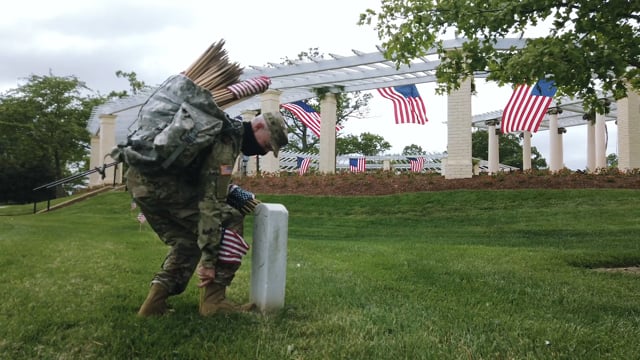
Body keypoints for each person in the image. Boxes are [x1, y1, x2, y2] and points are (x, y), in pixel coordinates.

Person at [126, 112, 288, 316]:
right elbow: (210, 205)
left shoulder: (219, 129)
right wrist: (210, 262)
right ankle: (214, 301)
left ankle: (153, 304)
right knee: (230, 217)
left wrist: (231, 191)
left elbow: (200, 179)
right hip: (161, 189)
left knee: (187, 241)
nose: (263, 153)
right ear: (257, 127)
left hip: (140, 184)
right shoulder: (227, 142)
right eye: (267, 145)